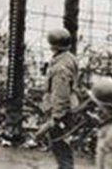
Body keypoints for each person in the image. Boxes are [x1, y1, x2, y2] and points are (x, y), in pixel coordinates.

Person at [36, 28, 78, 169]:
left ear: (53, 45)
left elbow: (61, 94)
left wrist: (55, 118)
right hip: (66, 109)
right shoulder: (69, 58)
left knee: (59, 145)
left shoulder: (60, 68)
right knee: (62, 146)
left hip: (60, 112)